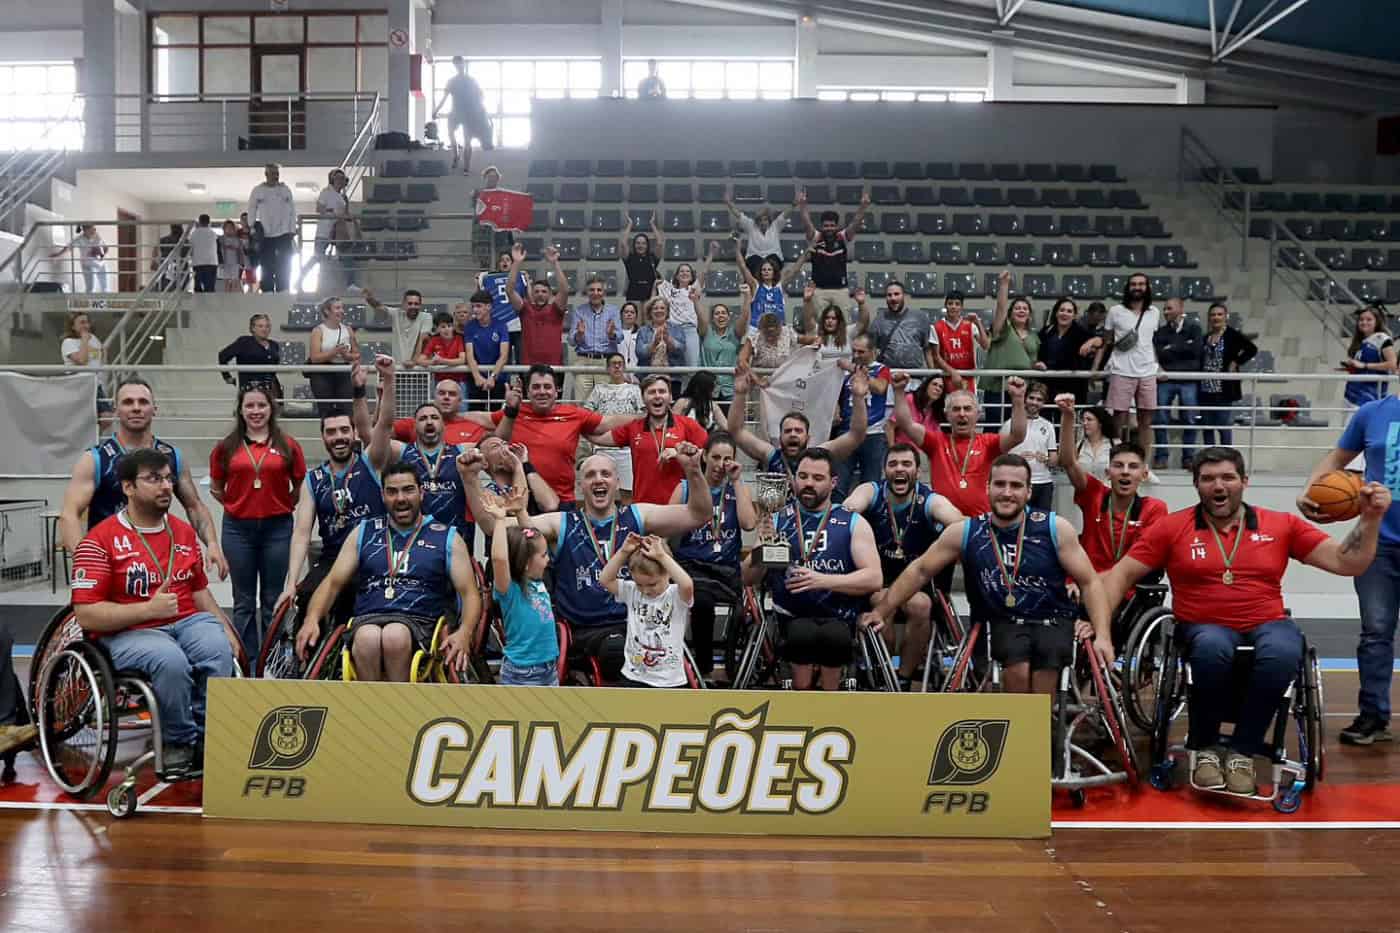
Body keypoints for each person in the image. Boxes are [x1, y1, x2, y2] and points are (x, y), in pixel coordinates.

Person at [1105, 447, 1388, 793]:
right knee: (1212, 645)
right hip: (1202, 625)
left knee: (1285, 650)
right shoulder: (1171, 527)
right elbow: (1119, 575)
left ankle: (1243, 750)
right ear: (1196, 485)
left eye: (1227, 477)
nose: (1218, 486)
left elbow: (1348, 563)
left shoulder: (1280, 524)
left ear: (1244, 482)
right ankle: (1205, 746)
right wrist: (1103, 631)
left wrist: (1370, 519)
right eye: (1208, 479)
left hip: (1266, 620)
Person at [864, 454, 1113, 701]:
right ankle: (1024, 727)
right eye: (1000, 484)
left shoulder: (1054, 528)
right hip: (997, 623)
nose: (1007, 493)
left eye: (1016, 486)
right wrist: (881, 611)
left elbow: (1090, 582)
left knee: (1045, 668)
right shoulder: (967, 532)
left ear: (1028, 492)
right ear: (988, 488)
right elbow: (920, 571)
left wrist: (1103, 636)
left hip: (1052, 620)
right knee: (1018, 667)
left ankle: (1041, 730)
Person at [71, 448, 238, 775]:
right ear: (128, 487)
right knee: (169, 659)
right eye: (153, 479)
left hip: (186, 622)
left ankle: (209, 738)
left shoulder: (184, 532)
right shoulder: (99, 541)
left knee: (217, 647)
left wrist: (226, 628)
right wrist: (148, 610)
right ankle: (178, 740)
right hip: (128, 633)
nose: (165, 486)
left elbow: (199, 592)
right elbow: (87, 615)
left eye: (167, 478)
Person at [513, 447, 710, 679]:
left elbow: (699, 514)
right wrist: (474, 483)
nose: (599, 479)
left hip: (639, 622)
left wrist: (694, 470)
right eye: (590, 475)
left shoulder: (637, 515)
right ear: (581, 486)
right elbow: (507, 528)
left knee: (699, 605)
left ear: (617, 482)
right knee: (619, 650)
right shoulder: (563, 522)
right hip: (587, 630)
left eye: (606, 474)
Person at [293, 462, 483, 682]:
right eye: (392, 491)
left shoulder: (447, 537)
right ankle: (372, 710)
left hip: (420, 621)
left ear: (421, 493)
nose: (400, 498)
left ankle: (398, 709)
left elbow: (469, 593)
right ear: (382, 496)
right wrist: (311, 619)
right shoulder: (364, 532)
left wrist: (465, 632)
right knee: (366, 638)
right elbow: (332, 583)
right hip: (369, 617)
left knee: (395, 635)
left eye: (408, 490)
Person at [1300, 375, 1400, 746]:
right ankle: (1373, 717)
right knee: (1376, 633)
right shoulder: (1372, 413)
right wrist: (1310, 486)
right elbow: (1336, 457)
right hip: (1378, 544)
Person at [59, 378, 227, 580]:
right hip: (110, 563)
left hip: (158, 563)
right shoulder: (95, 459)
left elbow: (194, 506)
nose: (136, 408)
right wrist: (87, 563)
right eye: (128, 402)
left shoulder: (172, 456)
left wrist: (213, 544)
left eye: (143, 402)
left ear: (154, 408)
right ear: (116, 409)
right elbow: (69, 514)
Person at [742, 448, 882, 690]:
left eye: (817, 479)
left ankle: (830, 701)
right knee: (801, 633)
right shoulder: (777, 518)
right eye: (803, 476)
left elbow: (873, 578)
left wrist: (822, 580)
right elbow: (747, 577)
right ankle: (802, 699)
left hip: (839, 617)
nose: (808, 483)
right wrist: (762, 551)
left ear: (833, 482)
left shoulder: (852, 522)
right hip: (790, 617)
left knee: (835, 636)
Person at [842, 443, 962, 687]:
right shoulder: (871, 491)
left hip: (918, 584)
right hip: (877, 581)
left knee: (920, 604)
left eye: (906, 464)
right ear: (884, 470)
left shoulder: (931, 501)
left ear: (917, 471)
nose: (899, 469)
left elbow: (958, 522)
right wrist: (847, 510)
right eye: (893, 464)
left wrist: (960, 525)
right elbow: (851, 506)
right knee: (880, 599)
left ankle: (903, 678)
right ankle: (883, 671)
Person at [275, 370, 381, 637]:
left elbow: (385, 426)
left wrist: (364, 389)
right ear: (323, 437)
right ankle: (306, 666)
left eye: (344, 430)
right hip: (332, 558)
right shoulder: (314, 479)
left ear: (355, 433)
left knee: (356, 602)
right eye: (331, 432)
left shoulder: (371, 463)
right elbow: (301, 534)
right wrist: (291, 582)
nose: (339, 437)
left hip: (373, 556)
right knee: (306, 596)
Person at [208, 385, 307, 662]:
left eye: (261, 406)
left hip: (277, 529)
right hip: (238, 530)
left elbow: (299, 483)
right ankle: (246, 660)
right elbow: (217, 487)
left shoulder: (288, 445)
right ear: (240, 410)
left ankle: (272, 658)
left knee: (273, 598)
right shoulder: (226, 447)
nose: (255, 412)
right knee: (243, 602)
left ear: (271, 409)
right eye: (249, 406)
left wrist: (284, 504)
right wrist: (237, 505)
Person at [1054, 394, 1167, 629]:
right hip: (1084, 585)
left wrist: (1091, 585)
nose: (1125, 472)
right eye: (1118, 466)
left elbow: (1139, 566)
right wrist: (1067, 417)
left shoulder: (1154, 509)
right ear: (1108, 473)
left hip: (1127, 593)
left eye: (1133, 467)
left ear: (1144, 475)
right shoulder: (1094, 495)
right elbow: (1068, 462)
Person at [670, 433, 757, 680]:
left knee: (741, 611)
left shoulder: (738, 489)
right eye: (715, 457)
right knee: (703, 602)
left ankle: (732, 669)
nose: (720, 464)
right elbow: (664, 532)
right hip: (692, 568)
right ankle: (704, 669)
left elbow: (749, 524)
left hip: (727, 572)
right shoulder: (685, 488)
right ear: (705, 456)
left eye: (727, 459)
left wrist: (737, 481)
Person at [889, 372, 1028, 518]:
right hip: (942, 522)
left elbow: (1017, 435)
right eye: (956, 409)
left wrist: (1018, 399)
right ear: (947, 414)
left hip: (980, 523)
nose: (962, 414)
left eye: (967, 409)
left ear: (977, 413)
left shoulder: (988, 442)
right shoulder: (936, 442)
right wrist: (899, 392)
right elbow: (906, 424)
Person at [493, 365, 638, 503]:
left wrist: (646, 417)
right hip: (521, 502)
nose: (542, 391)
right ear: (528, 391)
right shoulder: (513, 413)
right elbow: (495, 440)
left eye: (547, 387)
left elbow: (609, 422)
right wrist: (510, 410)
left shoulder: (574, 414)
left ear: (557, 391)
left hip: (562, 502)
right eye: (536, 387)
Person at [727, 365, 870, 505]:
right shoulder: (770, 455)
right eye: (787, 431)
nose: (793, 434)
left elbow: (856, 435)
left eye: (798, 431)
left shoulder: (820, 456)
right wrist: (740, 394)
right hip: (777, 522)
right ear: (780, 437)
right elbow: (736, 431)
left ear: (808, 438)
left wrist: (858, 398)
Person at [370, 357, 477, 539]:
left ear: (443, 425)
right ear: (414, 425)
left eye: (434, 418)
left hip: (456, 537)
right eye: (422, 418)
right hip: (413, 539)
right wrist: (386, 387)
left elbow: (495, 442)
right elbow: (381, 431)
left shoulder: (462, 451)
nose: (429, 422)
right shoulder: (401, 451)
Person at [597, 533, 695, 688]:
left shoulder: (676, 595)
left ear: (667, 573)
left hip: (669, 681)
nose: (646, 591)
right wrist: (623, 551)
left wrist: (662, 557)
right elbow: (605, 579)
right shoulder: (632, 591)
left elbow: (688, 584)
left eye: (652, 584)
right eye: (640, 584)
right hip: (633, 676)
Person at [600, 374, 710, 506]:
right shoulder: (634, 427)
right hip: (643, 509)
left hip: (679, 509)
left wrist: (681, 453)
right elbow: (599, 437)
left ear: (670, 397)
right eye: (651, 392)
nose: (657, 396)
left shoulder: (687, 424)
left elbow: (711, 452)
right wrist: (578, 422)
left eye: (662, 391)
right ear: (643, 398)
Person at [483, 505, 560, 686]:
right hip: (522, 672)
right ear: (526, 563)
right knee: (520, 715)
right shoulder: (510, 591)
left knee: (548, 715)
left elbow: (532, 537)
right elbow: (500, 559)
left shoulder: (538, 581)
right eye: (544, 556)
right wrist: (500, 520)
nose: (548, 559)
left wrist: (520, 512)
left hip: (549, 668)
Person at [1093, 273, 1161, 470]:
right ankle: (1116, 461)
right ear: (1128, 287)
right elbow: (1106, 342)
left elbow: (1150, 343)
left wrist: (1158, 366)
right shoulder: (1116, 311)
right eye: (1133, 284)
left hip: (1148, 372)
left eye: (1141, 284)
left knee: (1145, 422)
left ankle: (1143, 465)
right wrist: (1095, 368)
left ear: (1147, 287)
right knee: (1118, 421)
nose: (1137, 287)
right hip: (1122, 370)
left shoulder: (1154, 312)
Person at [834, 333, 893, 496]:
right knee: (839, 484)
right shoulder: (844, 373)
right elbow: (836, 396)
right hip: (846, 432)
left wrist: (854, 369)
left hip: (873, 433)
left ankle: (869, 521)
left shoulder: (882, 370)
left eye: (861, 352)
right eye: (854, 351)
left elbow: (880, 388)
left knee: (870, 485)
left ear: (872, 351)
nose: (856, 355)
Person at [584, 353, 644, 502]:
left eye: (620, 363)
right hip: (602, 447)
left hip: (626, 449)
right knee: (602, 491)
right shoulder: (598, 389)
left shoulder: (634, 390)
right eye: (613, 364)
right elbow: (586, 413)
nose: (617, 366)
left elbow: (643, 414)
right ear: (607, 368)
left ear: (624, 367)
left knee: (628, 493)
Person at [799, 189, 869, 318]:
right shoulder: (816, 237)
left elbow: (855, 223)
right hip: (819, 291)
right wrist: (802, 206)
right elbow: (807, 223)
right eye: (826, 225)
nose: (829, 228)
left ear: (837, 226)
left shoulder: (842, 237)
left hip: (840, 290)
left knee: (843, 324)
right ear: (822, 226)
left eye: (832, 225)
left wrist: (863, 207)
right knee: (821, 327)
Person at [1196, 302, 1257, 447]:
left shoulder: (1232, 335)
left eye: (1219, 314)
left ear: (1225, 317)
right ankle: (1209, 456)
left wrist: (1236, 361)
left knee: (1223, 424)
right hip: (1205, 388)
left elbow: (1252, 349)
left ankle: (1226, 457)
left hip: (1224, 389)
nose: (1216, 317)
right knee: (1207, 426)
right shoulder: (1206, 337)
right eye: (1213, 315)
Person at [1153, 297, 1204, 471]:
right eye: (1165, 309)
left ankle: (1189, 458)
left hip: (1188, 379)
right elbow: (1161, 354)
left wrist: (1171, 348)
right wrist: (1183, 347)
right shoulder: (1160, 332)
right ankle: (1161, 457)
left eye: (1169, 308)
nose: (1166, 312)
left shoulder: (1195, 328)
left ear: (1181, 308)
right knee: (1160, 418)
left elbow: (1196, 350)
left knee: (1190, 418)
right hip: (1165, 379)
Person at [984, 270, 1039, 429]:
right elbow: (1000, 308)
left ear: (1029, 314)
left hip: (1023, 389)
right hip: (999, 387)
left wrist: (1037, 366)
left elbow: (1032, 360)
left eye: (1025, 308)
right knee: (995, 428)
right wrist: (1004, 285)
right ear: (1010, 313)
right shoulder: (1003, 328)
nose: (1021, 310)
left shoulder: (1035, 336)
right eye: (1017, 308)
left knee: (1019, 428)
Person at [506, 243, 571, 369]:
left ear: (550, 295)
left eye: (544, 292)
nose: (540, 294)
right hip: (529, 367)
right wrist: (516, 263)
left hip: (554, 367)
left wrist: (555, 263)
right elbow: (509, 290)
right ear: (531, 293)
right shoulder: (525, 308)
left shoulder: (556, 309)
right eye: (536, 291)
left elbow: (564, 290)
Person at [657, 246, 717, 373]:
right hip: (672, 330)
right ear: (677, 276)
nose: (684, 273)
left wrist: (711, 255)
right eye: (681, 271)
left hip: (690, 330)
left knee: (692, 368)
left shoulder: (693, 289)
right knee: (671, 369)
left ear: (691, 277)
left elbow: (704, 272)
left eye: (688, 272)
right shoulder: (667, 288)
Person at [389, 376, 495, 447]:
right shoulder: (414, 423)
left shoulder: (476, 427)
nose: (446, 397)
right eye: (442, 393)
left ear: (460, 401)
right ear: (434, 398)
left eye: (452, 394)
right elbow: (380, 435)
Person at [434, 56, 494, 175]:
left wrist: (482, 113)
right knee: (450, 132)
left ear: (463, 65)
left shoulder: (471, 81)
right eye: (457, 65)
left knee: (467, 141)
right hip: (456, 112)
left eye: (460, 64)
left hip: (469, 115)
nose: (459, 67)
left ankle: (466, 167)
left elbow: (481, 97)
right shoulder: (452, 81)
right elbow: (444, 98)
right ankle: (456, 155)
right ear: (455, 66)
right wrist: (436, 110)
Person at [866, 280, 936, 379]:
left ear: (904, 296)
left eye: (896, 294)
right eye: (889, 295)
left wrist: (933, 375)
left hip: (916, 377)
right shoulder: (878, 321)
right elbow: (871, 350)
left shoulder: (921, 318)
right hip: (888, 377)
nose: (893, 298)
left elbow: (927, 350)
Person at [570, 276, 623, 403]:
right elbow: (571, 340)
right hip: (583, 361)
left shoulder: (613, 311)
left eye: (599, 290)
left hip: (605, 362)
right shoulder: (579, 311)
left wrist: (611, 334)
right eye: (591, 290)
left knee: (605, 403)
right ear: (587, 292)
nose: (595, 293)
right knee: (582, 403)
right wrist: (579, 334)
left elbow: (620, 337)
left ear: (603, 293)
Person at [1005, 381, 1056, 510]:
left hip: (1043, 483)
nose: (1034, 402)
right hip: (1018, 482)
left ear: (1043, 403)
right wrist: (1016, 457)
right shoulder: (1009, 424)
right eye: (1031, 398)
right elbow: (1000, 456)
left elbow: (1054, 461)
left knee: (1041, 526)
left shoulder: (1048, 426)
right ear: (1025, 398)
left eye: (1039, 399)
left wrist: (1046, 459)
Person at [299, 168, 351, 292]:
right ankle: (300, 279)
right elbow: (319, 208)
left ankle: (349, 284)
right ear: (333, 179)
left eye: (342, 179)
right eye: (337, 178)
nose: (340, 181)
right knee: (317, 257)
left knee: (345, 257)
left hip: (338, 231)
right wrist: (331, 212)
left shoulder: (344, 197)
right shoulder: (326, 192)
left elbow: (346, 213)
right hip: (324, 230)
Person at [247, 164, 296, 293]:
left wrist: (292, 229)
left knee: (285, 264)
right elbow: (251, 208)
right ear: (266, 174)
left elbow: (292, 210)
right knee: (266, 264)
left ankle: (283, 289)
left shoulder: (285, 190)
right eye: (273, 173)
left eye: (277, 174)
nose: (276, 176)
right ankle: (267, 290)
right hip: (266, 234)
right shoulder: (258, 190)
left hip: (284, 233)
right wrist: (252, 226)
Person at [1035, 296, 1095, 403]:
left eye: (1069, 311)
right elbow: (1038, 354)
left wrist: (1094, 340)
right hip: (1048, 386)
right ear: (1056, 313)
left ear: (1074, 315)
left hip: (1073, 388)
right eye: (1061, 310)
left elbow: (1101, 341)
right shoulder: (1046, 332)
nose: (1064, 314)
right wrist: (1039, 363)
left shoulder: (1082, 333)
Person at [307, 296, 359, 417]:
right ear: (327, 311)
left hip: (343, 372)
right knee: (325, 411)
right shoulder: (318, 330)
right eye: (337, 308)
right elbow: (314, 358)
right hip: (322, 374)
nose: (341, 311)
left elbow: (356, 354)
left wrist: (347, 356)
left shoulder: (348, 330)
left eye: (342, 308)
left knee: (347, 410)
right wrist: (335, 352)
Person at [739, 245, 810, 331]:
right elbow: (743, 267)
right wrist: (736, 250)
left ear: (774, 272)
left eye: (769, 269)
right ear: (760, 272)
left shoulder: (780, 286)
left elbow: (794, 270)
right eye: (764, 269)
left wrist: (805, 253)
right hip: (757, 330)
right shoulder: (755, 286)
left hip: (778, 330)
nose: (766, 272)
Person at [61, 311, 112, 428]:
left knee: (107, 417)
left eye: (87, 322)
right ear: (73, 326)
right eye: (82, 322)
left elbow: (101, 360)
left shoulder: (94, 339)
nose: (86, 326)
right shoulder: (68, 342)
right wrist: (84, 340)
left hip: (96, 384)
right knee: (83, 419)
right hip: (78, 385)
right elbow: (81, 360)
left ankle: (95, 439)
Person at [478, 250, 530, 364]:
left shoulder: (520, 276)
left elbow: (529, 299)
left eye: (508, 260)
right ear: (497, 264)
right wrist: (479, 280)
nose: (504, 262)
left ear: (512, 263)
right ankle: (503, 381)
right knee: (502, 360)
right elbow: (479, 299)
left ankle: (523, 380)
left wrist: (528, 282)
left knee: (522, 358)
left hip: (517, 323)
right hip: (498, 323)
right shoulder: (487, 278)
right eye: (502, 260)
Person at [934, 290, 990, 393]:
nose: (953, 307)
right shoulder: (937, 327)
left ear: (961, 307)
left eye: (957, 304)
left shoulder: (970, 326)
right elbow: (936, 356)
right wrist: (953, 372)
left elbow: (986, 346)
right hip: (946, 376)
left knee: (968, 406)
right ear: (945, 305)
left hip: (968, 377)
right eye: (950, 303)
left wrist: (978, 322)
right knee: (949, 407)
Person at [1343, 304, 1396, 411]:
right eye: (1361, 319)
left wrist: (1365, 365)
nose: (1364, 322)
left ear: (1377, 322)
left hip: (1369, 397)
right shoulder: (1360, 340)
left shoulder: (1382, 339)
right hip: (1352, 394)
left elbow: (1392, 364)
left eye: (1369, 319)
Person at [362, 287, 431, 369]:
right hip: (398, 367)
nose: (413, 306)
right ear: (404, 304)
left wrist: (413, 361)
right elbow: (379, 306)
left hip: (419, 369)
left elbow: (423, 340)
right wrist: (370, 299)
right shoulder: (396, 314)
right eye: (410, 303)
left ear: (420, 305)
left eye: (416, 304)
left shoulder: (426, 317)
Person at [725, 190, 788, 280]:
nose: (763, 222)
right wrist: (728, 203)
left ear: (769, 220)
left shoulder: (776, 226)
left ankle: (771, 284)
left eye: (765, 220)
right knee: (754, 260)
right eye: (760, 220)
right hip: (755, 258)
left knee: (772, 259)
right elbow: (738, 215)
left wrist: (794, 204)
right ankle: (756, 286)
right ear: (757, 221)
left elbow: (785, 215)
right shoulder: (751, 225)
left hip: (773, 258)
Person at [463, 289, 510, 410]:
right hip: (477, 378)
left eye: (478, 306)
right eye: (473, 307)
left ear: (489, 306)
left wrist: (493, 377)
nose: (475, 310)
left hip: (498, 377)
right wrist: (477, 376)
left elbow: (504, 355)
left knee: (496, 414)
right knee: (475, 414)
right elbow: (469, 355)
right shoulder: (470, 327)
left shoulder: (501, 326)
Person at [218, 313, 282, 397]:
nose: (264, 329)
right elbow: (223, 356)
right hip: (249, 389)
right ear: (253, 328)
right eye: (260, 326)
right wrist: (227, 377)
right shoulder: (244, 342)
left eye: (267, 326)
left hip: (272, 389)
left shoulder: (274, 345)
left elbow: (274, 368)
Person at [697, 300, 746, 401]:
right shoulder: (706, 332)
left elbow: (744, 317)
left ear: (729, 317)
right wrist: (695, 301)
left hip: (729, 388)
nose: (720, 316)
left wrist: (747, 297)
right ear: (712, 318)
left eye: (723, 313)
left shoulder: (734, 333)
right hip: (708, 387)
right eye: (717, 313)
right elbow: (700, 316)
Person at [809, 288, 872, 367]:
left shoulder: (848, 332)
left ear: (839, 321)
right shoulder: (818, 331)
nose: (830, 321)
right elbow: (808, 320)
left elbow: (863, 322)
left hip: (846, 375)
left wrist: (861, 303)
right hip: (823, 375)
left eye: (834, 318)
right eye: (827, 318)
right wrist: (807, 301)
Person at [738, 310, 812, 375]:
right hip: (761, 380)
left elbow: (808, 340)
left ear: (780, 328)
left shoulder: (788, 332)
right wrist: (756, 379)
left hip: (784, 379)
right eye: (767, 333)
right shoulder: (754, 336)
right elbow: (742, 360)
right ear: (760, 329)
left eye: (775, 334)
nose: (771, 337)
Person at [416, 310, 468, 392]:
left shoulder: (459, 339)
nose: (447, 329)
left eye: (449, 326)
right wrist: (433, 362)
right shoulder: (434, 340)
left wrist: (442, 361)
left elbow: (462, 360)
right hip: (440, 381)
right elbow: (419, 360)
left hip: (459, 381)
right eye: (443, 327)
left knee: (462, 405)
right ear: (437, 328)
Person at [636, 296, 685, 380]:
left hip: (672, 378)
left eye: (662, 308)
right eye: (655, 308)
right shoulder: (643, 331)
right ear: (650, 312)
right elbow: (640, 353)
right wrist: (654, 344)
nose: (659, 311)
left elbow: (681, 350)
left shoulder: (677, 328)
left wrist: (668, 339)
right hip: (647, 378)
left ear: (667, 311)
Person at [51, 224, 108, 293]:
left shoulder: (97, 236)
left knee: (105, 288)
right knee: (91, 288)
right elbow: (68, 247)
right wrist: (58, 255)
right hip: (88, 264)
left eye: (94, 229)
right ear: (85, 231)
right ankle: (89, 303)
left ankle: (104, 303)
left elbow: (106, 248)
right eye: (92, 230)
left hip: (101, 263)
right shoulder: (80, 239)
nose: (94, 231)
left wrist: (102, 255)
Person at [620, 215, 664, 304]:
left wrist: (652, 224)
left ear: (647, 245)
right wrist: (630, 224)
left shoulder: (652, 258)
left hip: (650, 294)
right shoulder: (630, 258)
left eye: (643, 243)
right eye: (638, 243)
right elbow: (623, 243)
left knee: (648, 318)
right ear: (634, 245)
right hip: (633, 294)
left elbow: (659, 243)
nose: (640, 245)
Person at [188, 214, 220, 293]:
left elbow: (191, 248)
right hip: (211, 263)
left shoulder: (194, 233)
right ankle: (209, 304)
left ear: (199, 222)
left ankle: (199, 303)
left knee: (198, 286)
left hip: (198, 263)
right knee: (210, 287)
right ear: (209, 222)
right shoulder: (213, 233)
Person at [151, 223, 187, 291]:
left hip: (169, 267)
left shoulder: (165, 240)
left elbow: (155, 250)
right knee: (173, 286)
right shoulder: (185, 241)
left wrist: (153, 261)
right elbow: (155, 249)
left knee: (166, 286)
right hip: (177, 267)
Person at [218, 220, 247, 293]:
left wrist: (242, 264)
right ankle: (227, 300)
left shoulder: (238, 240)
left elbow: (241, 252)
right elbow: (218, 251)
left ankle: (235, 300)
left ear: (234, 229)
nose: (229, 229)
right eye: (227, 228)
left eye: (231, 228)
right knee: (226, 283)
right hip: (224, 264)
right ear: (224, 229)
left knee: (235, 282)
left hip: (235, 263)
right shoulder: (220, 239)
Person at [618, 301, 642, 370]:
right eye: (626, 312)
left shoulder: (641, 334)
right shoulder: (615, 334)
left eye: (632, 312)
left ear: (636, 316)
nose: (629, 314)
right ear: (621, 315)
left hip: (637, 372)